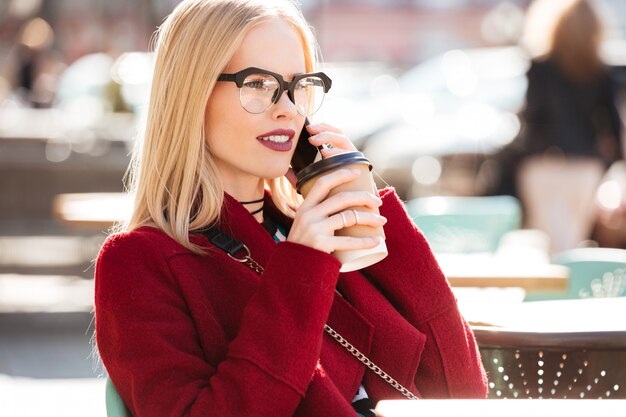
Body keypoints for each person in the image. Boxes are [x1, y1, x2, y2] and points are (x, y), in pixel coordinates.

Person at [94, 1, 487, 416]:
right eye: (258, 84)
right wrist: (302, 267)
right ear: (192, 95)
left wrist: (378, 219)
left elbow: (461, 393)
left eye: (299, 85)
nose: (288, 108)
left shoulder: (316, 228)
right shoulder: (139, 262)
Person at [487, 0, 623, 252]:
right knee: (571, 241)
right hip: (585, 167)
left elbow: (532, 118)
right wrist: (610, 165)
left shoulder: (541, 67)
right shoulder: (600, 70)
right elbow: (613, 127)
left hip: (545, 165)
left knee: (550, 243)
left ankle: (556, 290)